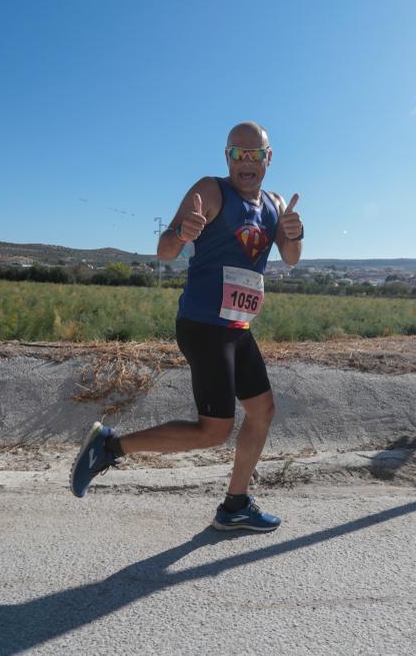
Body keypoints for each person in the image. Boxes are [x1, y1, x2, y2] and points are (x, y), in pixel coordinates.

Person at [70, 122, 304, 533]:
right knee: (213, 430)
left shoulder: (276, 203)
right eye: (237, 154)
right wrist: (182, 232)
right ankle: (109, 446)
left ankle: (235, 503)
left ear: (269, 158)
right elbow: (165, 251)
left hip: (237, 326)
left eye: (255, 155)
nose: (246, 163)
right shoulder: (211, 191)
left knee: (262, 410)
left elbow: (291, 258)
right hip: (203, 324)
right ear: (226, 156)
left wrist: (295, 233)